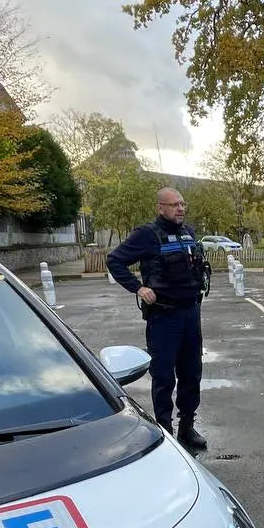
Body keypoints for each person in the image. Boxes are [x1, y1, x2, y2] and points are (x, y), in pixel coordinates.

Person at [106, 188, 210, 451]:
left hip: (190, 314)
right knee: (164, 377)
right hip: (165, 317)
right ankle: (166, 432)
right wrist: (138, 288)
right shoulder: (147, 235)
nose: (180, 208)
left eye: (182, 204)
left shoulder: (189, 233)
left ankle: (187, 426)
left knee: (192, 373)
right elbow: (115, 260)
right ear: (160, 208)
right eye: (174, 204)